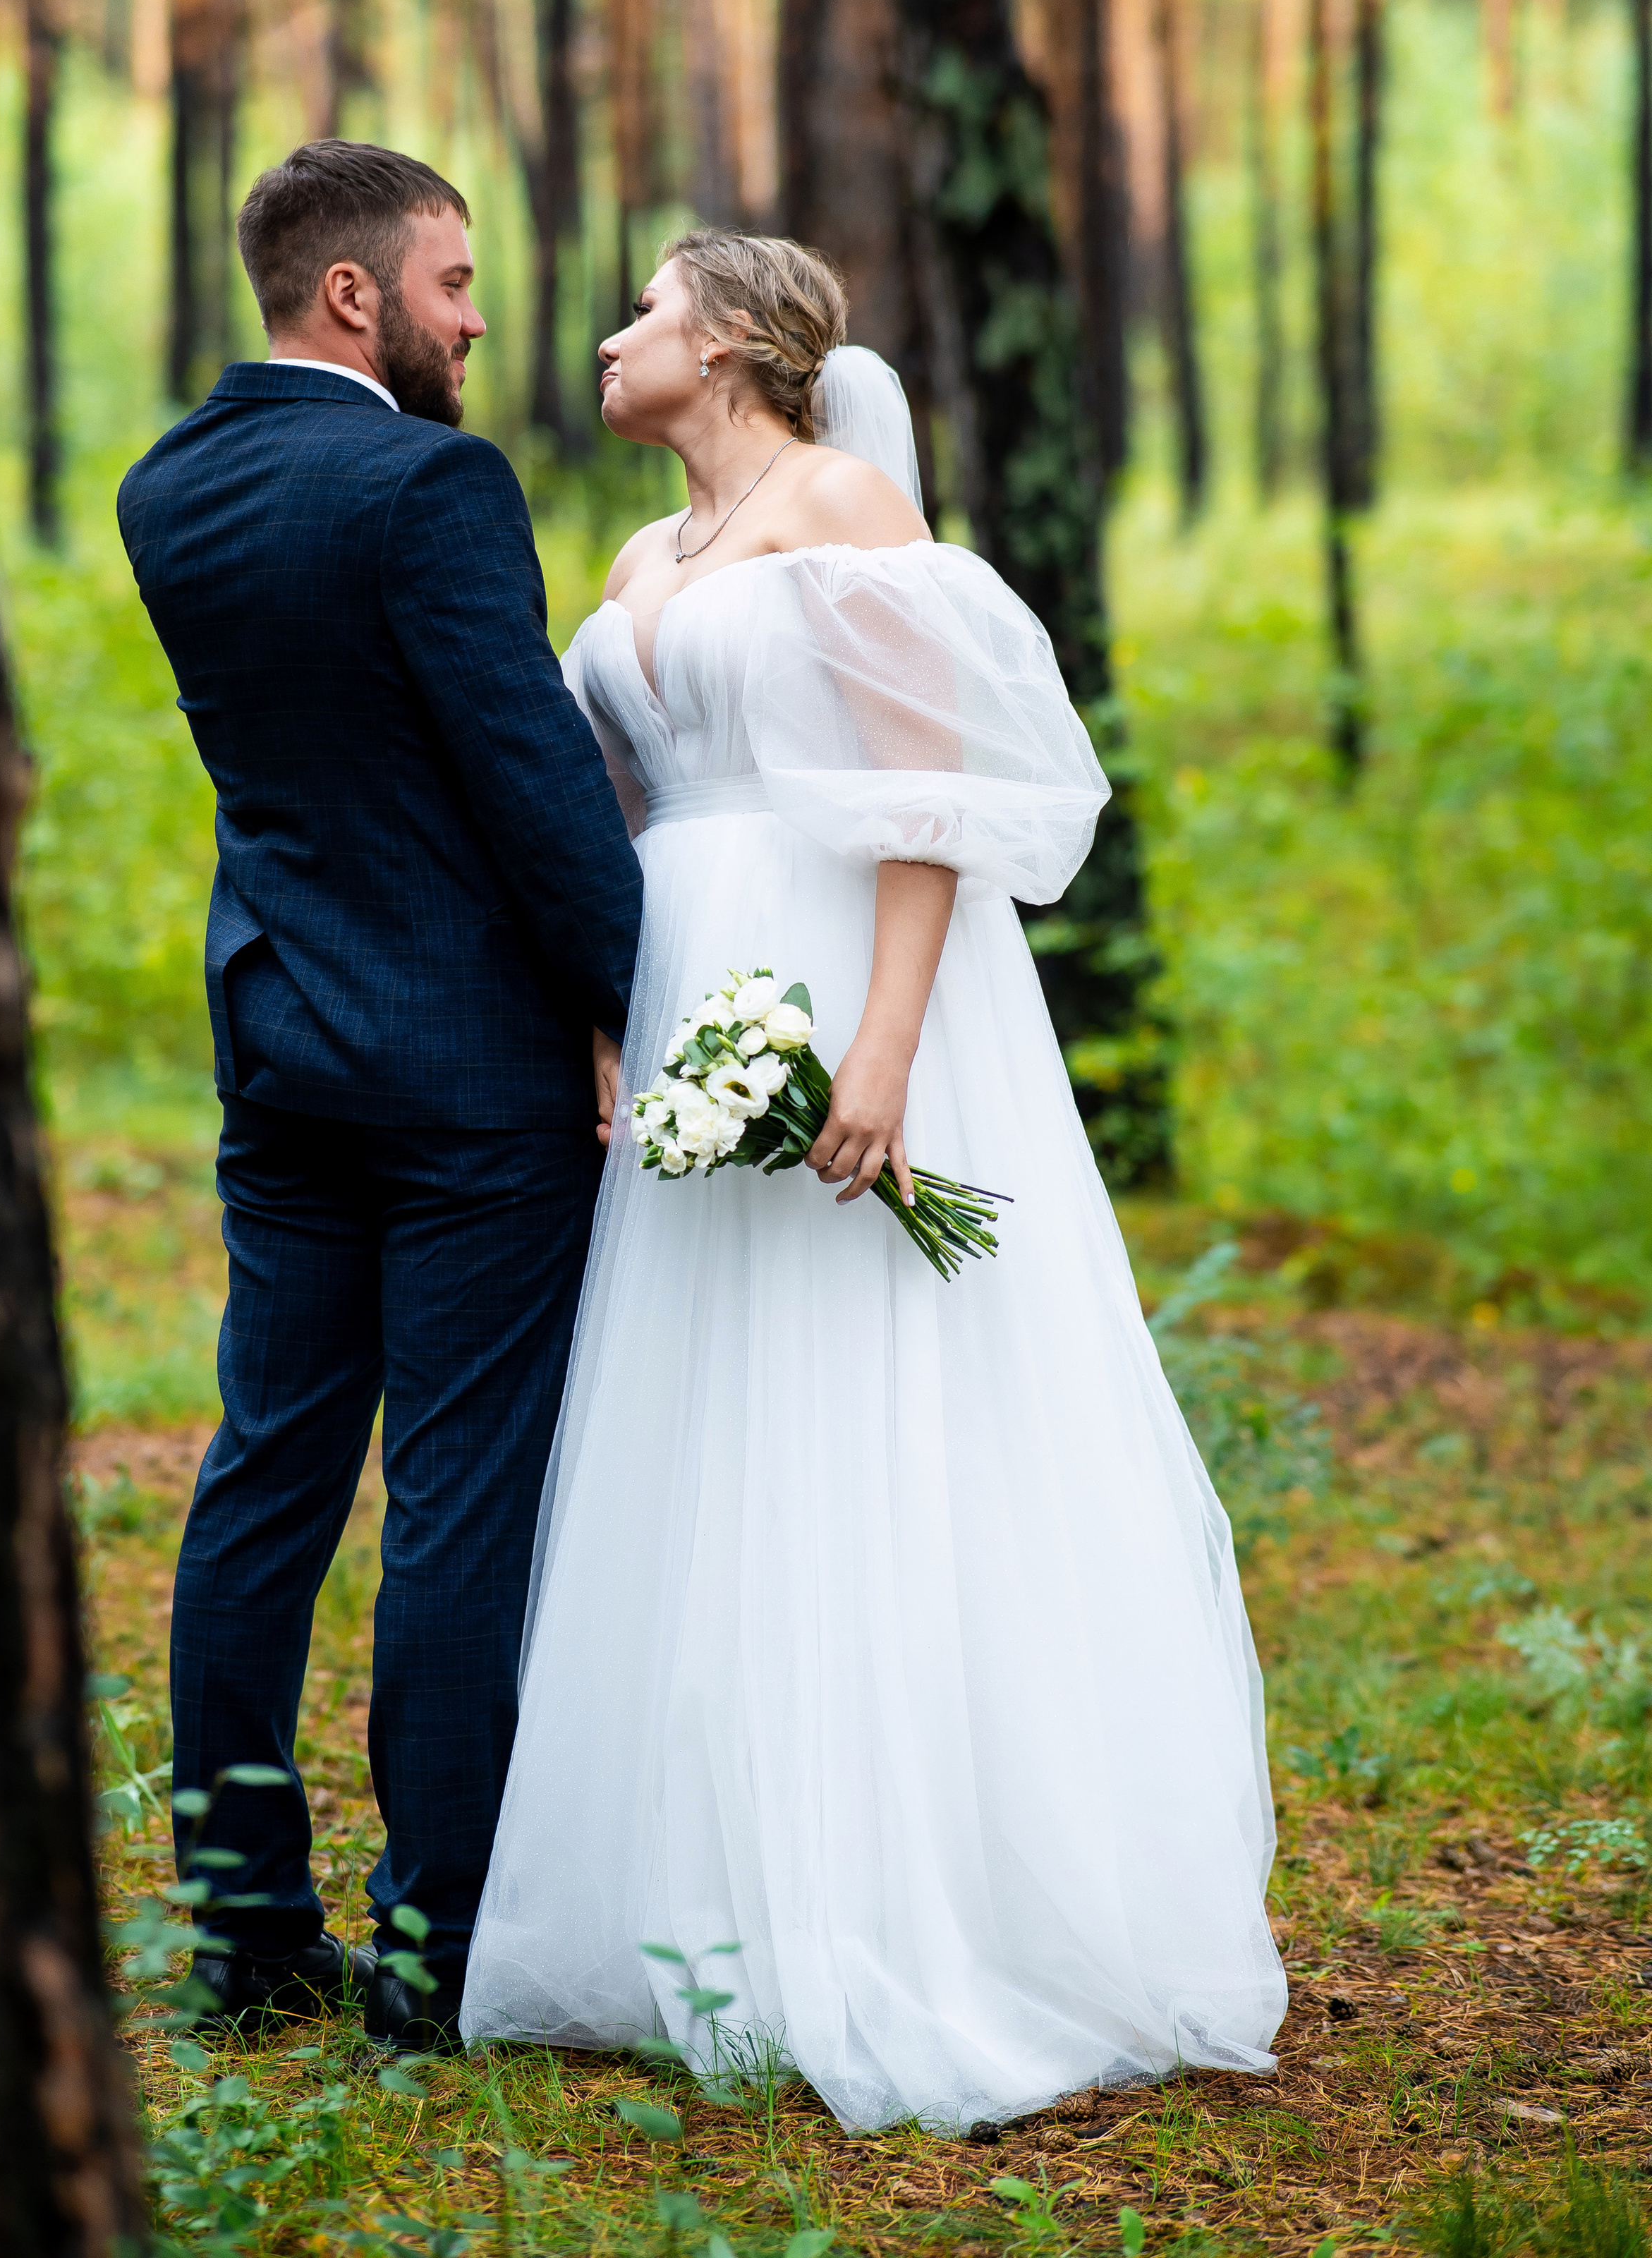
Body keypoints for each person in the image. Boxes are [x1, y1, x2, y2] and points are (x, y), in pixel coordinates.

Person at [459, 231, 1288, 2133]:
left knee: (857, 1388)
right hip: (684, 995)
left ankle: (904, 1900)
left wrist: (888, 1048)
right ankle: (702, 1905)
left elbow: (929, 795)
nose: (610, 335)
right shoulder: (636, 559)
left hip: (839, 971)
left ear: (734, 341)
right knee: (699, 1417)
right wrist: (610, 1026)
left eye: (647, 309)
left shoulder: (844, 504)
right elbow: (618, 819)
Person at [116, 141, 643, 2051]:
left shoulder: (169, 483)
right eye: (453, 281)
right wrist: (641, 1006)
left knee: (265, 1474)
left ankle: (249, 1934)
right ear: (355, 294)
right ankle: (433, 1955)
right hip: (468, 1073)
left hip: (282, 1037)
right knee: (456, 1502)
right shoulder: (432, 485)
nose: (475, 321)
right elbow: (532, 783)